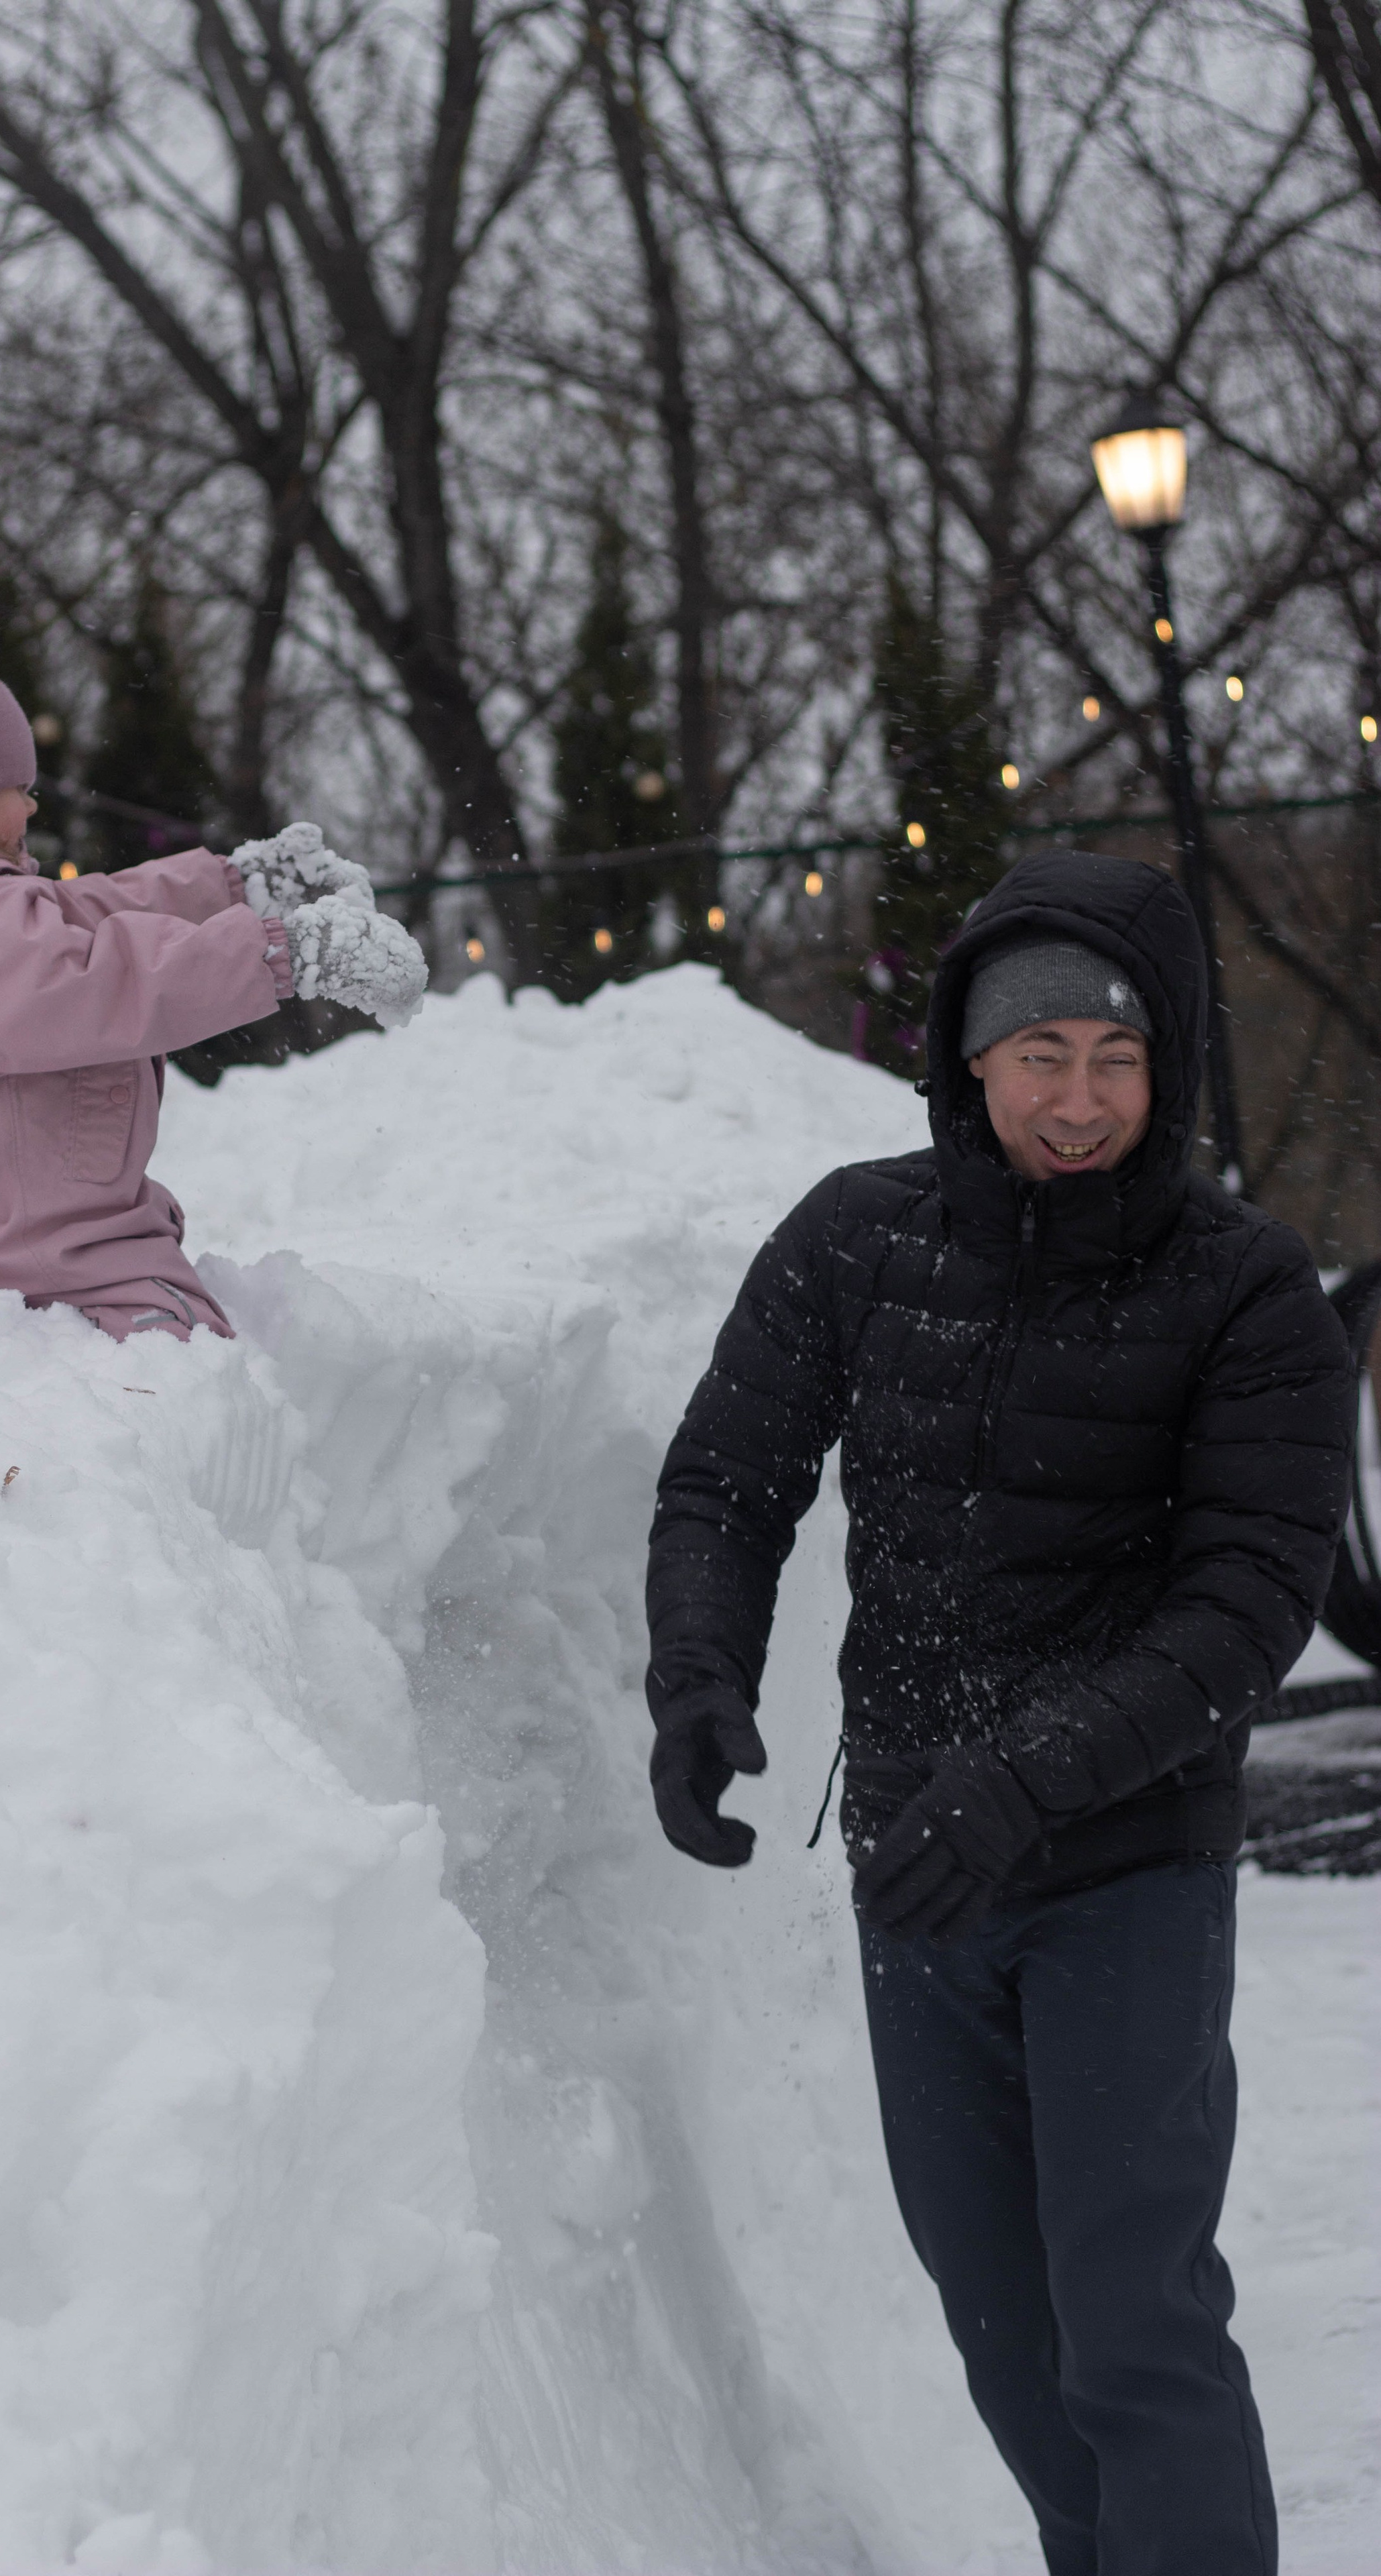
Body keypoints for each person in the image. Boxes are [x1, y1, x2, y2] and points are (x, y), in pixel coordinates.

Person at [645, 848, 1354, 2576]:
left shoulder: (1240, 1287)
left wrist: (1027, 1779)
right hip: (919, 1867)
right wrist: (695, 1678)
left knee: (1131, 2319)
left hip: (1123, 1860)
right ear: (969, 1053)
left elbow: (1247, 1599)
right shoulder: (854, 1237)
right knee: (1004, 2329)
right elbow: (726, 1480)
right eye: (1040, 1054)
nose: (1077, 1097)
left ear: (1161, 1069)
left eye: (1116, 1060)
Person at [0, 553, 426, 1342]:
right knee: (185, 1391)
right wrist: (289, 952)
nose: (29, 801)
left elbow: (89, 911)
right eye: (12, 787)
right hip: (39, 1270)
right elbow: (109, 978)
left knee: (196, 1385)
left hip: (34, 1243)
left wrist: (233, 887)